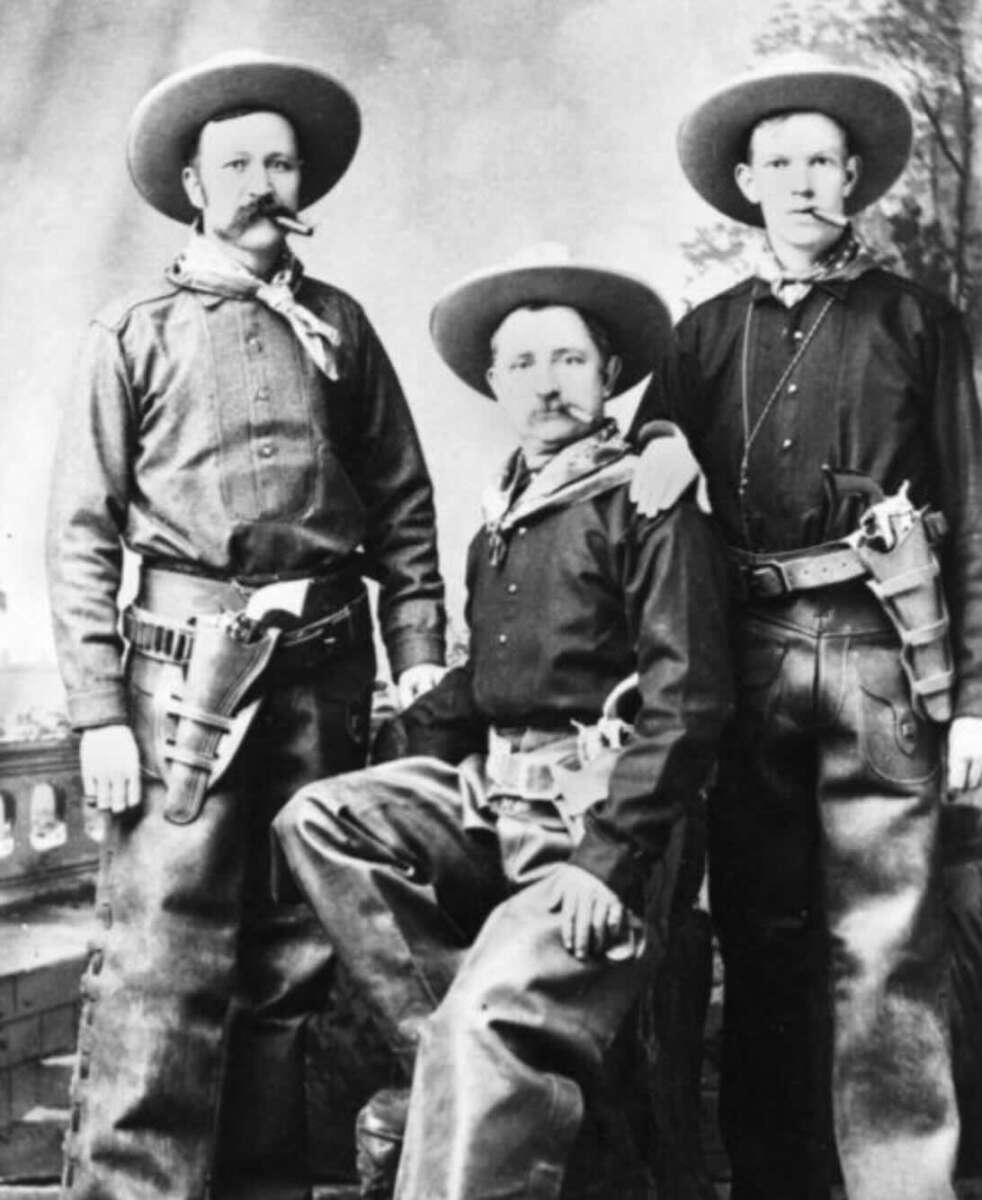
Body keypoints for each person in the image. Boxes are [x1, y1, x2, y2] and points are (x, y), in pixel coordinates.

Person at [46, 50, 445, 1200]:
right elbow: (83, 531)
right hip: (182, 684)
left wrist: (416, 661)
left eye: (282, 161)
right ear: (191, 185)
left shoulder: (340, 328)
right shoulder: (132, 332)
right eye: (238, 163)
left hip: (325, 671)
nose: (264, 181)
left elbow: (403, 506)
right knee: (162, 958)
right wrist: (95, 714)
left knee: (292, 958)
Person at [272, 251, 734, 1200]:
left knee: (482, 1028)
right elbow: (485, 687)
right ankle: (461, 1059)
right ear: (493, 384)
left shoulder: (645, 498)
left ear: (609, 376)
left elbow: (689, 700)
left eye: (568, 359)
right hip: (497, 793)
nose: (546, 382)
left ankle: (468, 1060)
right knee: (318, 818)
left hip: (598, 812)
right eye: (520, 364)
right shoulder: (503, 520)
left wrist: (610, 861)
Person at [632, 55, 982, 1200]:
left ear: (853, 181)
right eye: (775, 161)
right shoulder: (698, 337)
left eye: (819, 160)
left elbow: (973, 506)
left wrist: (973, 693)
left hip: (883, 648)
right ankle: (777, 1183)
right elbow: (637, 493)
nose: (798, 180)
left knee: (888, 944)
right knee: (763, 933)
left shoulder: (916, 321)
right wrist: (656, 449)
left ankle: (900, 1187)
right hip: (746, 656)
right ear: (743, 181)